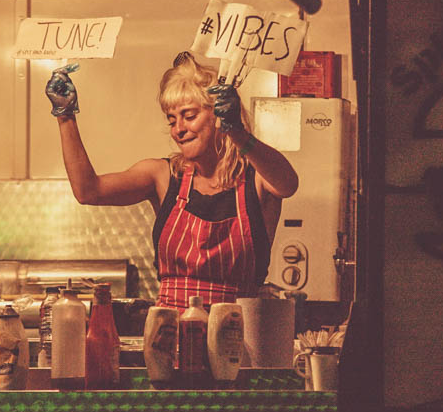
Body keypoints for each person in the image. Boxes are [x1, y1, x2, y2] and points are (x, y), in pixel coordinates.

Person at [45, 52, 298, 309]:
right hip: (169, 329)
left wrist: (238, 133)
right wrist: (65, 117)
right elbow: (88, 191)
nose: (179, 129)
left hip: (237, 327)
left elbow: (287, 184)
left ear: (219, 116)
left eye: (189, 116)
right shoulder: (163, 176)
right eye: (172, 120)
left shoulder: (256, 177)